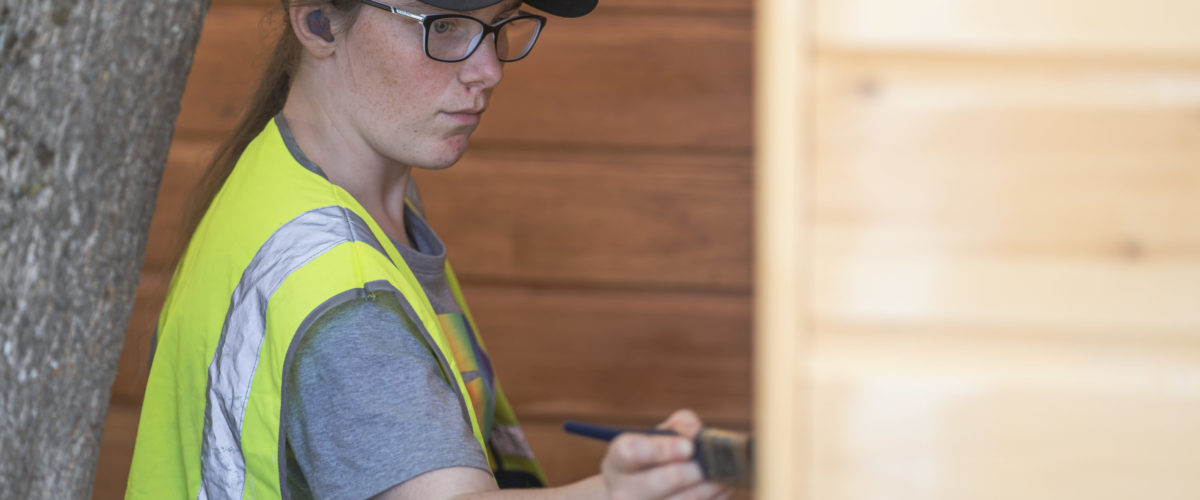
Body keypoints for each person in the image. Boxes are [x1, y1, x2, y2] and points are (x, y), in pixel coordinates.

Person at [126, 0, 732, 499]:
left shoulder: (292, 183)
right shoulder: (346, 296)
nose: (488, 70)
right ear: (318, 22)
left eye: (499, 24)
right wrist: (614, 494)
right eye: (443, 26)